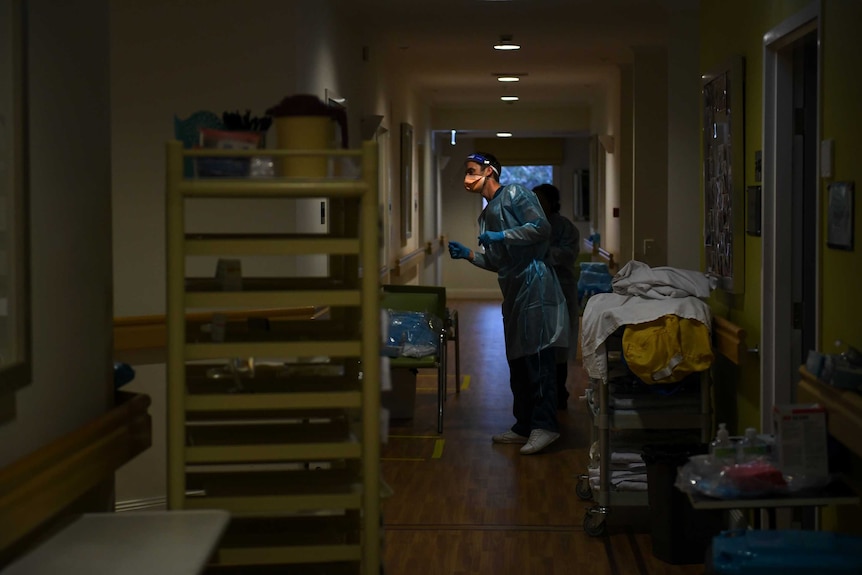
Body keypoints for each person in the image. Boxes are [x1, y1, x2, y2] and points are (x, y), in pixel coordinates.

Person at [448, 152, 569, 455]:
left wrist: (502, 234)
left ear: (489, 172)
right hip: (515, 289)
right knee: (518, 360)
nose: (467, 177)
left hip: (536, 285)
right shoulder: (488, 212)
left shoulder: (515, 194)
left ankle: (546, 426)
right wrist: (470, 255)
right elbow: (499, 262)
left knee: (538, 359)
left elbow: (541, 228)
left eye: (472, 170)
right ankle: (523, 425)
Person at [532, 183, 580, 410]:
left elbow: (568, 255)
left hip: (561, 289)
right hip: (535, 291)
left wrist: (545, 254)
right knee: (538, 344)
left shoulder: (565, 228)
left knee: (560, 344)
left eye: (541, 200)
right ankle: (541, 391)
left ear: (552, 202)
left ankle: (559, 392)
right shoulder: (529, 226)